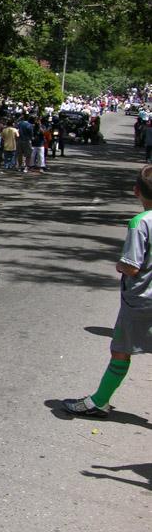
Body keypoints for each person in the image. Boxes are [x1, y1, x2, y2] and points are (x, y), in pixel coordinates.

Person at [62, 166, 152, 418]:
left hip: (141, 301)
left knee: (120, 350)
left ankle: (99, 401)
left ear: (136, 191)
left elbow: (132, 267)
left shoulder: (140, 223)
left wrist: (119, 265)